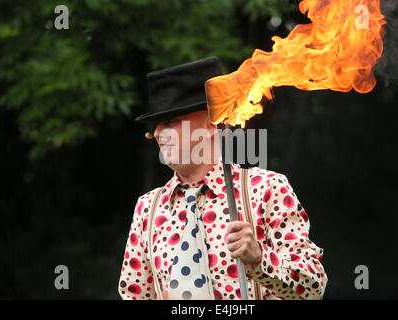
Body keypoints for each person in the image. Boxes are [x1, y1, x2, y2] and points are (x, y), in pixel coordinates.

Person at [118, 56, 327, 300]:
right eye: (156, 125)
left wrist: (259, 258)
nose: (157, 133)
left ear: (210, 123)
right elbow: (134, 296)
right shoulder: (148, 208)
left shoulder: (267, 189)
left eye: (169, 122)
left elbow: (313, 287)